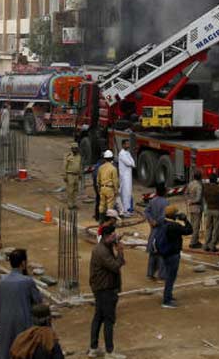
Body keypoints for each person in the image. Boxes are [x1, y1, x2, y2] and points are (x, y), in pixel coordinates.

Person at [88, 222, 126, 359]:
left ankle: (93, 348)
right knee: (109, 320)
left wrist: (116, 241)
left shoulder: (103, 246)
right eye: (113, 236)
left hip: (101, 288)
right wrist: (120, 251)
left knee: (98, 317)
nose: (115, 238)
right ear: (106, 236)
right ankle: (109, 352)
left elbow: (111, 244)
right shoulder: (102, 251)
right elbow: (115, 266)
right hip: (105, 289)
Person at [0, 249, 43, 359]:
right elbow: (38, 301)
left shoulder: (2, 281)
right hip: (22, 323)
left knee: (6, 351)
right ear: (23, 263)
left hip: (4, 322)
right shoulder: (27, 281)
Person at [156, 205, 192, 308]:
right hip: (173, 254)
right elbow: (189, 230)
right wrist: (185, 220)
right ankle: (166, 300)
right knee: (170, 277)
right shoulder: (174, 226)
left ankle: (169, 296)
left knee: (169, 276)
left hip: (165, 253)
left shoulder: (163, 222)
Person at [144, 183, 169, 281]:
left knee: (152, 253)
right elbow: (163, 216)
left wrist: (151, 220)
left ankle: (150, 274)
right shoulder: (166, 202)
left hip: (153, 230)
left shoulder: (152, 201)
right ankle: (161, 275)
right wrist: (156, 222)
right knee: (162, 253)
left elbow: (146, 211)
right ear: (164, 192)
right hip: (161, 230)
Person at [203, 173, 219, 252]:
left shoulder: (206, 188)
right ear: (216, 180)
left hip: (208, 209)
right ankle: (212, 245)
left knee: (208, 228)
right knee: (216, 229)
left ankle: (206, 244)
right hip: (217, 210)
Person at [97, 150, 120, 218]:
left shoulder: (100, 167)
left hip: (102, 188)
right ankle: (109, 220)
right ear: (112, 158)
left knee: (102, 204)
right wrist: (116, 191)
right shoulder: (113, 168)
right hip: (110, 189)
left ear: (104, 158)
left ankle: (101, 220)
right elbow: (115, 181)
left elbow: (98, 180)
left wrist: (99, 188)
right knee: (110, 205)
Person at [185, 170, 204, 249]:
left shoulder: (190, 184)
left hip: (191, 207)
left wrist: (189, 201)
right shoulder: (199, 185)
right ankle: (193, 242)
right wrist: (193, 201)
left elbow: (186, 193)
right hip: (197, 207)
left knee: (193, 225)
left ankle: (195, 240)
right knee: (196, 226)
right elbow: (198, 198)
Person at [116, 142, 135, 216]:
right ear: (123, 145)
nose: (128, 145)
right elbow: (128, 163)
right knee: (125, 193)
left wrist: (131, 164)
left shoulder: (128, 153)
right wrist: (131, 164)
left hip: (128, 176)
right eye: (126, 144)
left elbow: (133, 162)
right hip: (124, 177)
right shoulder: (121, 154)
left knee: (128, 193)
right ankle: (125, 211)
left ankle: (128, 209)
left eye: (128, 144)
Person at [62, 144, 81, 211]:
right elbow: (65, 166)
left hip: (77, 175)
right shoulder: (68, 156)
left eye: (76, 148)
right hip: (70, 175)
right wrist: (64, 175)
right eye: (74, 148)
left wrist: (80, 174)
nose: (75, 150)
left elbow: (80, 166)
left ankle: (74, 204)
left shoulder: (79, 156)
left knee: (76, 190)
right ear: (72, 149)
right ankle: (70, 205)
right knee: (70, 191)